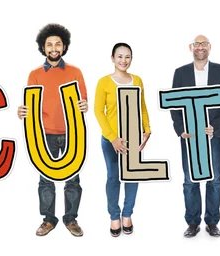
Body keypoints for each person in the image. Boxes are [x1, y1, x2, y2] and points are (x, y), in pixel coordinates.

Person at [17, 23, 89, 237]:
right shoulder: (35, 74)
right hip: (44, 133)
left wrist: (84, 104)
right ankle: (48, 220)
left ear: (64, 46)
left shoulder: (75, 72)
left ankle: (71, 219)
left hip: (72, 133)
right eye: (49, 44)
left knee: (73, 178)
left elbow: (83, 99)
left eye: (58, 43)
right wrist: (22, 111)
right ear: (43, 47)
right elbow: (30, 104)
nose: (54, 47)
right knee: (45, 178)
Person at [170, 35, 220, 237]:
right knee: (190, 180)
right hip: (189, 137)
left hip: (212, 136)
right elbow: (174, 105)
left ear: (210, 47)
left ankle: (212, 222)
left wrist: (214, 126)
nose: (200, 47)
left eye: (203, 44)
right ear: (191, 47)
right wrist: (180, 129)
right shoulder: (180, 73)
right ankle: (192, 222)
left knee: (214, 180)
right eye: (196, 44)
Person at [94, 43, 152, 237]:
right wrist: (113, 138)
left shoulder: (137, 80)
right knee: (113, 177)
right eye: (119, 56)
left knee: (133, 176)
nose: (123, 60)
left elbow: (142, 107)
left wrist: (147, 130)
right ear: (112, 58)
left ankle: (127, 214)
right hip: (111, 140)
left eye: (127, 57)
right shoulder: (104, 82)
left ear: (131, 59)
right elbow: (98, 111)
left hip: (133, 138)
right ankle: (114, 216)